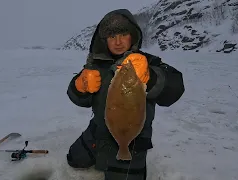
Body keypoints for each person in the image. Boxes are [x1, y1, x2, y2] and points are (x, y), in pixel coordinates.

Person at [66, 8, 185, 180]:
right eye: (112, 36)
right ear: (104, 39)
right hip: (98, 132)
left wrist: (150, 77)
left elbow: (175, 87)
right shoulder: (96, 65)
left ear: (133, 36)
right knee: (74, 160)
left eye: (123, 34)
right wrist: (79, 87)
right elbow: (79, 99)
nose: (118, 41)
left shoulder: (148, 62)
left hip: (134, 140)